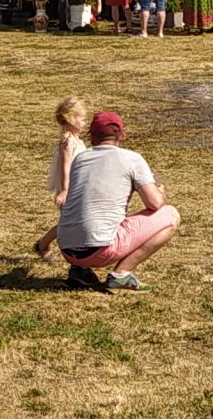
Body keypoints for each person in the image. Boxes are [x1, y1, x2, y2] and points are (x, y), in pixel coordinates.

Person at [56, 110, 180, 292]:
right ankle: (121, 273)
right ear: (121, 135)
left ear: (92, 137)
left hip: (67, 248)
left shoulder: (80, 159)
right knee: (170, 215)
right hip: (100, 250)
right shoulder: (132, 159)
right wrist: (160, 191)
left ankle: (79, 270)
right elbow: (154, 203)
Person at [32, 94, 93, 260]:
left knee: (72, 220)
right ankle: (43, 244)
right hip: (70, 187)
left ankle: (43, 244)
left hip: (78, 186)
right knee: (68, 222)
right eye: (83, 119)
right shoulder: (68, 142)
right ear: (72, 119)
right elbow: (65, 166)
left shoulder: (76, 140)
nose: (85, 123)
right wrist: (64, 190)